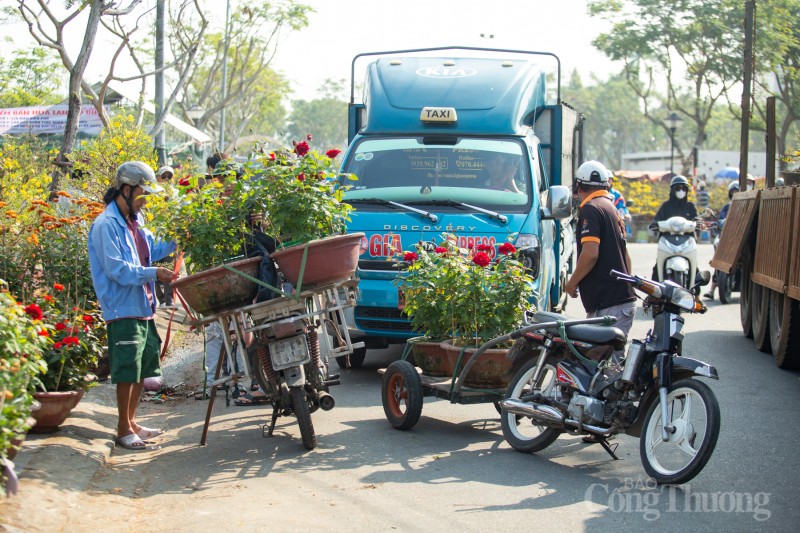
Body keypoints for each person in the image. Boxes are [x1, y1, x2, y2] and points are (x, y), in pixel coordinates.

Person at [88, 162, 177, 450]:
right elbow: (117, 269)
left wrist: (182, 234)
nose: (145, 200)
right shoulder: (106, 225)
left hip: (143, 306)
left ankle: (132, 421)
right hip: (122, 308)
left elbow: (155, 250)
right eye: (143, 193)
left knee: (141, 368)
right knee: (127, 369)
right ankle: (123, 427)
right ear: (126, 190)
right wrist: (154, 273)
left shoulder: (135, 224)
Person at [565, 160, 636, 344]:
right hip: (619, 302)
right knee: (604, 365)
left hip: (609, 305)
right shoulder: (610, 207)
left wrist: (572, 283)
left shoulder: (590, 209)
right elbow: (625, 255)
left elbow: (590, 254)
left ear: (579, 186)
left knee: (601, 365)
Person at [649, 175, 698, 281]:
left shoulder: (690, 206)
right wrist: (655, 224)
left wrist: (699, 224)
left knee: (695, 267)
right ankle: (654, 295)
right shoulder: (666, 206)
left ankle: (696, 294)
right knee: (658, 267)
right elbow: (657, 219)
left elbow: (697, 220)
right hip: (667, 241)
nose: (681, 191)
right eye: (678, 188)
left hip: (687, 241)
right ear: (672, 190)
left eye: (683, 188)